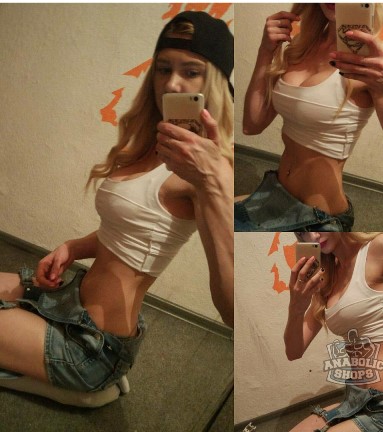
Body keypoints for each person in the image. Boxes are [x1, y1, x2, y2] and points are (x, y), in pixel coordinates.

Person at [0, 10, 233, 397]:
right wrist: (73, 247)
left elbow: (230, 309)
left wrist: (214, 183)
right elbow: (129, 229)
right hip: (68, 300)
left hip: (89, 348)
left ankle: (85, 381)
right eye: (163, 68)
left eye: (191, 72)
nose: (172, 83)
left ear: (215, 84)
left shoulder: (209, 173)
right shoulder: (151, 146)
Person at [234, 3, 383, 232]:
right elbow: (252, 125)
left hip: (317, 218)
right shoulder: (301, 47)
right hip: (275, 191)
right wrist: (265, 51)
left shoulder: (373, 62)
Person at [286, 232, 383, 431]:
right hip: (353, 400)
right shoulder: (327, 277)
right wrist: (296, 307)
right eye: (303, 231)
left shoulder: (381, 247)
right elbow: (293, 351)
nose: (313, 235)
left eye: (315, 224)